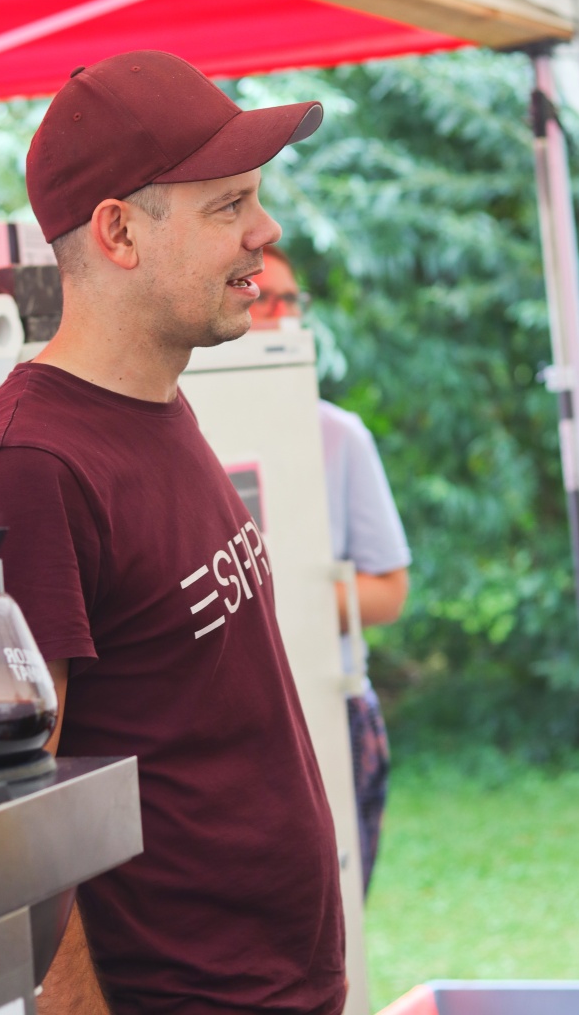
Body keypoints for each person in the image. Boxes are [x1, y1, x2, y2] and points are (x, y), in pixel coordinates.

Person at [0, 52, 345, 1015]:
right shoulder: (27, 468)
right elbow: (0, 814)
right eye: (228, 204)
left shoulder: (153, 403)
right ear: (118, 231)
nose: (266, 230)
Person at [250, 245, 410, 895]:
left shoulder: (340, 435)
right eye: (261, 298)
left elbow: (390, 591)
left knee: (340, 911)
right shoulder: (175, 428)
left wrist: (286, 599)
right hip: (238, 717)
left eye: (291, 301)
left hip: (331, 705)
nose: (281, 314)